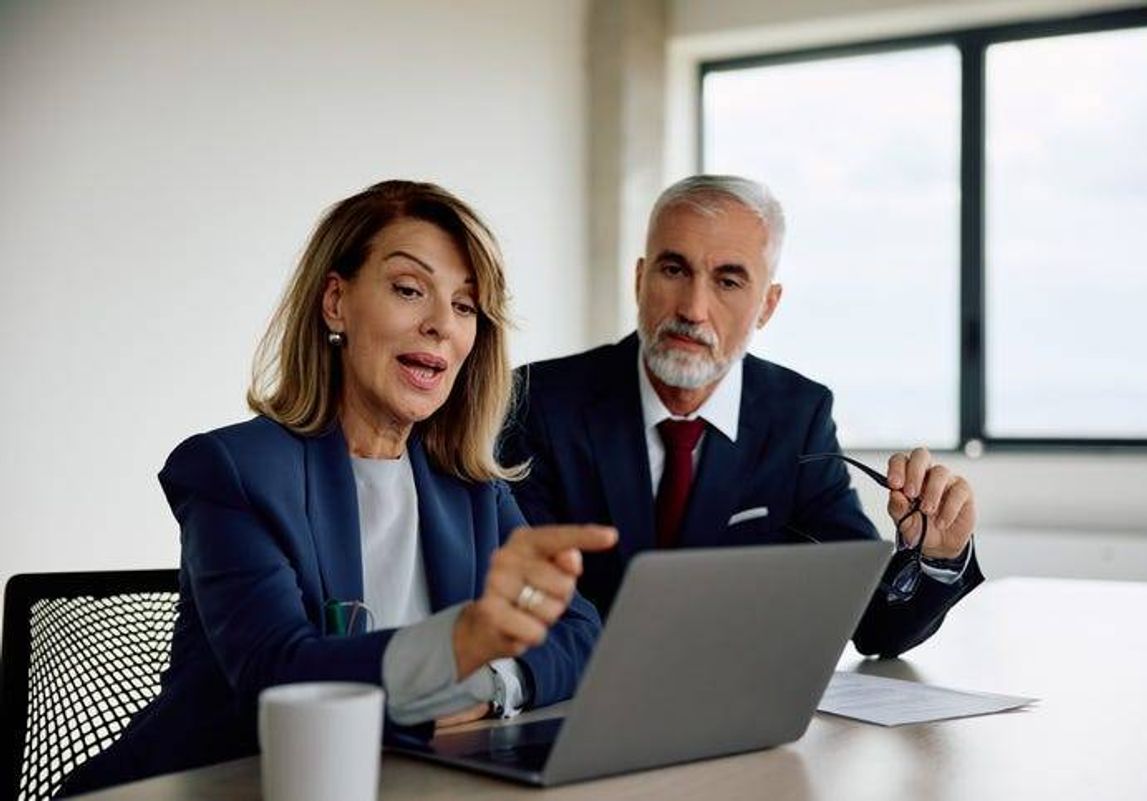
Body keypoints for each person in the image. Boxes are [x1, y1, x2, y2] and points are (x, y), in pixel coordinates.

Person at [60, 180, 616, 796]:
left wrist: (489, 682)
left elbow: (581, 632)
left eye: (464, 306)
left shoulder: (470, 487)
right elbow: (282, 676)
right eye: (409, 290)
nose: (440, 325)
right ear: (335, 303)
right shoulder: (231, 471)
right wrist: (462, 645)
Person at [501, 174, 982, 658]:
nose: (693, 308)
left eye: (728, 281)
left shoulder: (797, 415)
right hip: (575, 705)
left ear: (767, 306)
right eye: (673, 270)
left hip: (740, 721)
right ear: (639, 279)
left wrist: (937, 556)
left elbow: (872, 625)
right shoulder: (538, 404)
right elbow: (519, 605)